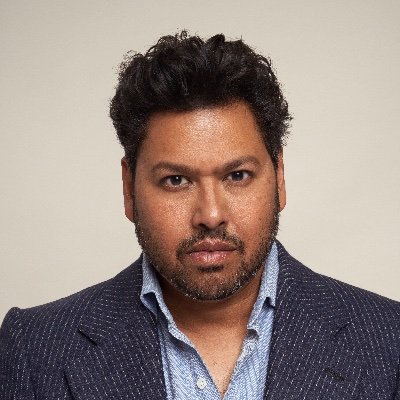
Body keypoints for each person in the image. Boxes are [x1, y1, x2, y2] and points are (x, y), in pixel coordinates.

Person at [1, 31, 399, 400]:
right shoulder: (34, 349)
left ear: (279, 177)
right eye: (176, 180)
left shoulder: (389, 341)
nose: (210, 215)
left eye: (237, 176)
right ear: (128, 188)